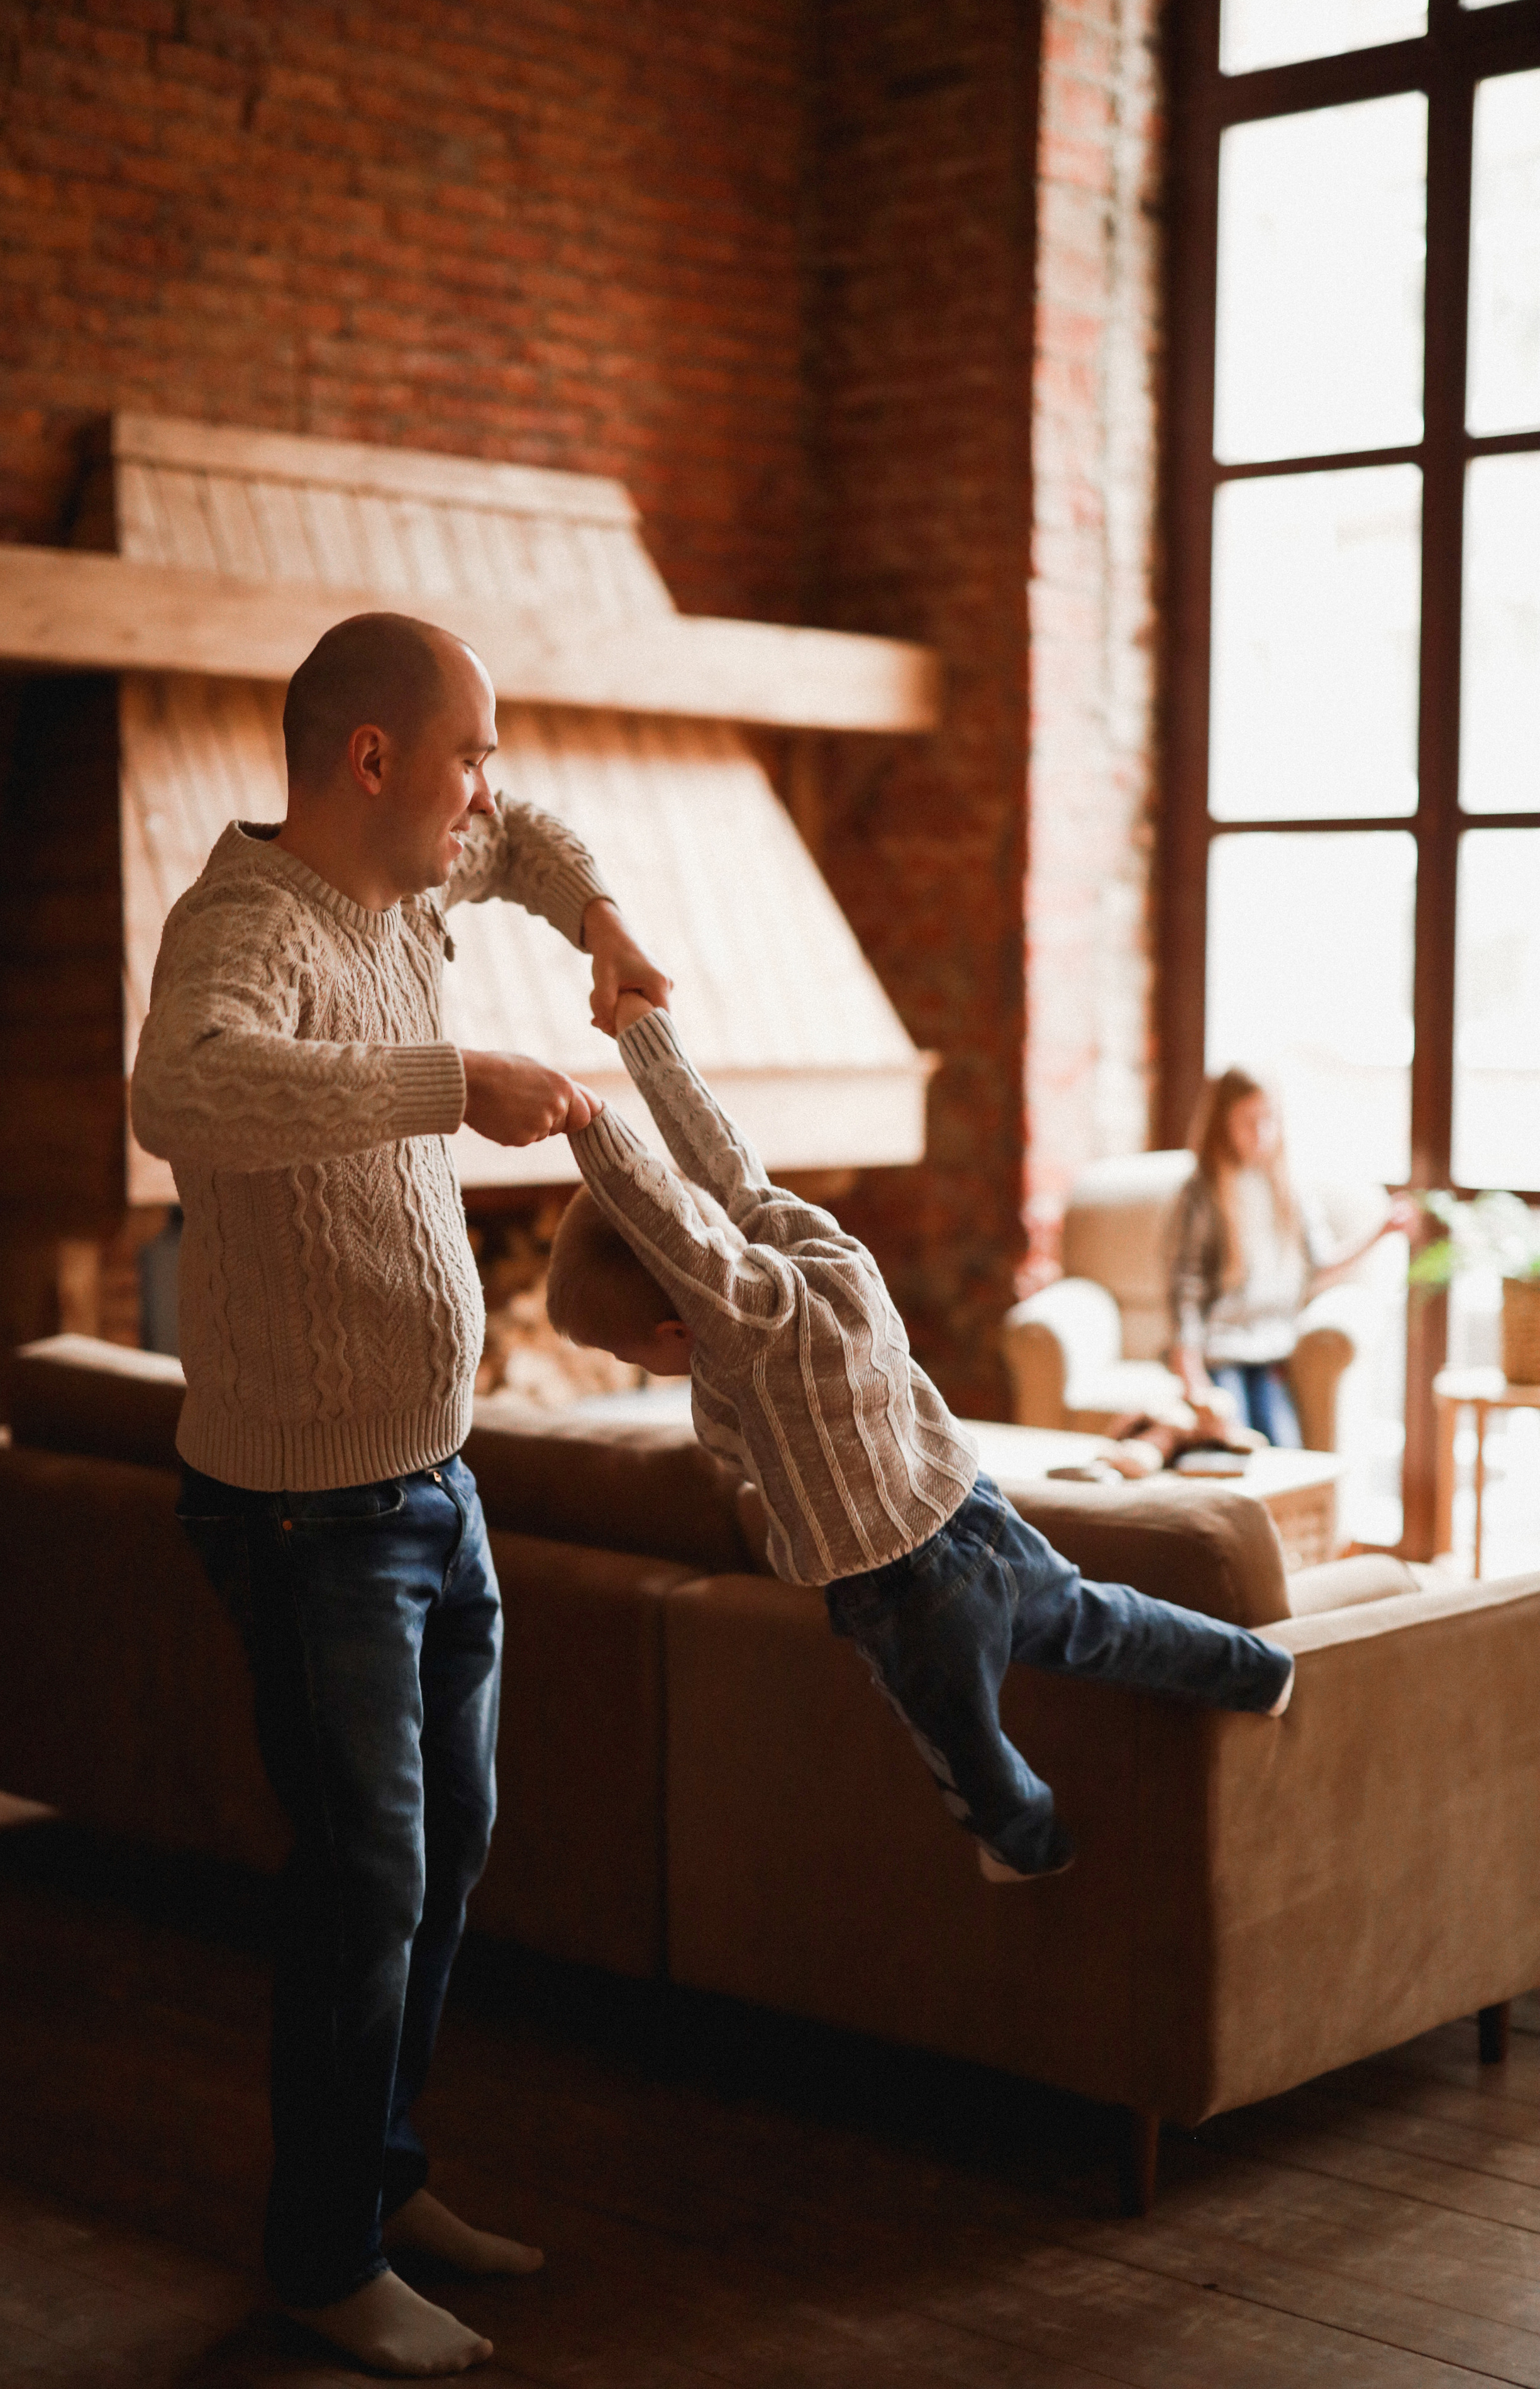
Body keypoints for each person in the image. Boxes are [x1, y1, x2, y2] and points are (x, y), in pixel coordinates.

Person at [131, 612, 669, 2380]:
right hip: (309, 1514)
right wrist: (456, 1085)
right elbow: (182, 1094)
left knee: (446, 1862)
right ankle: (319, 2257)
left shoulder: (423, 878)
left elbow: (536, 844)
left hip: (436, 1487)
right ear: (374, 761)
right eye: (470, 754)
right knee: (366, 1879)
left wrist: (601, 925)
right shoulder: (245, 924)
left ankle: (376, 2181)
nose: (489, 793)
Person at [545, 994, 1295, 1890]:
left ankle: (1033, 1845)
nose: (632, 1364)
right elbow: (713, 1157)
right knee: (1101, 1622)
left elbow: (672, 1235)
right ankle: (1255, 1670)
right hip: (974, 1512)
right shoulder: (790, 1236)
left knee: (962, 1744)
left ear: (679, 1327)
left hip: (902, 1590)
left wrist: (587, 1124)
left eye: (624, 1350)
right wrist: (641, 1031)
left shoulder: (756, 1331)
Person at [1168, 1067, 1414, 1448]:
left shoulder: (1291, 1190)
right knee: (1230, 1442)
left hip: (1271, 1355)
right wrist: (1193, 1379)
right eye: (1248, 1122)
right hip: (1221, 1354)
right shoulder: (1202, 1195)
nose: (1261, 1134)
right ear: (1223, 1122)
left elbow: (1319, 1270)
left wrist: (1380, 1233)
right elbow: (1186, 1292)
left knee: (1284, 1446)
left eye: (1269, 1120)